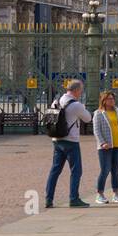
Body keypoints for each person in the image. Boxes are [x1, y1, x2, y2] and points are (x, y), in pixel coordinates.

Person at [45, 79, 93, 209]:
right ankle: (74, 198)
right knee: (76, 171)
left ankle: (48, 199)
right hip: (71, 140)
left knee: (55, 170)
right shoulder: (76, 105)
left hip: (56, 139)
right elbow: (88, 118)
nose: (81, 93)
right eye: (81, 90)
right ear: (77, 90)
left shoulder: (56, 101)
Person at [93, 90, 118, 204]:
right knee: (105, 170)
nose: (112, 101)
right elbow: (96, 130)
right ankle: (100, 194)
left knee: (116, 171)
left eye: (112, 98)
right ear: (104, 100)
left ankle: (116, 193)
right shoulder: (98, 113)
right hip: (105, 147)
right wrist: (102, 142)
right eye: (109, 99)